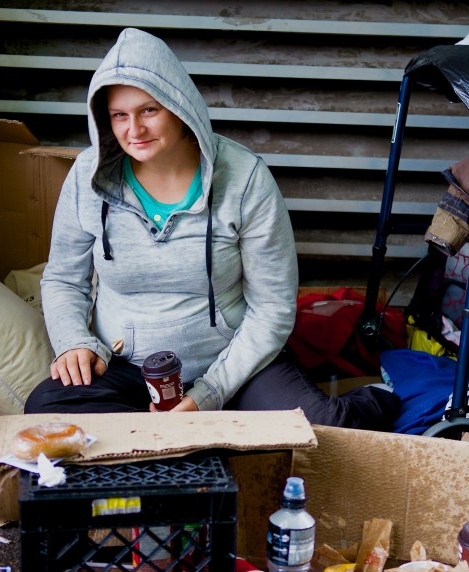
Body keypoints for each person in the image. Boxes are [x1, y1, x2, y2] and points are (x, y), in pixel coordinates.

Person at [24, 27, 400, 431]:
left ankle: (384, 396)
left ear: (179, 106)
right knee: (47, 408)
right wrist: (75, 342)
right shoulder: (87, 176)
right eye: (120, 115)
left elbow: (271, 307)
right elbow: (64, 278)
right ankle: (171, 443)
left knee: (320, 426)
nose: (134, 130)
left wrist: (208, 394)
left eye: (149, 110)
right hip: (127, 367)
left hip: (231, 364)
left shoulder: (245, 178)